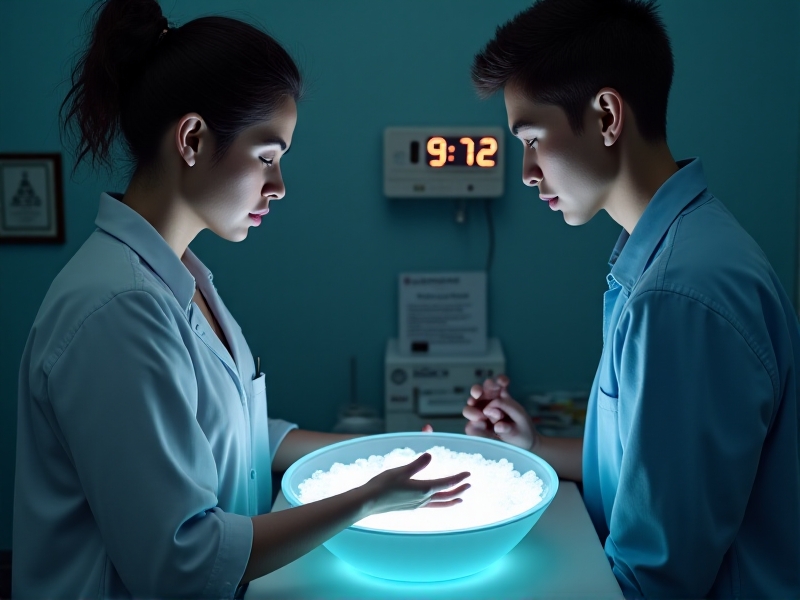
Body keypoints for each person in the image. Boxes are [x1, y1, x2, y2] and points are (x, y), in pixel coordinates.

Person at [12, 1, 470, 598]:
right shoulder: (118, 308)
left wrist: (386, 450)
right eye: (267, 157)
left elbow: (241, 434)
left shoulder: (181, 279)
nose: (278, 186)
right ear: (194, 138)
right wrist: (368, 499)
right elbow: (184, 561)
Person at [462, 0, 800, 597]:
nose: (527, 172)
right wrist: (534, 448)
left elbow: (656, 579)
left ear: (607, 115)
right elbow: (651, 480)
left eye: (533, 139)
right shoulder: (666, 253)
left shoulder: (680, 292)